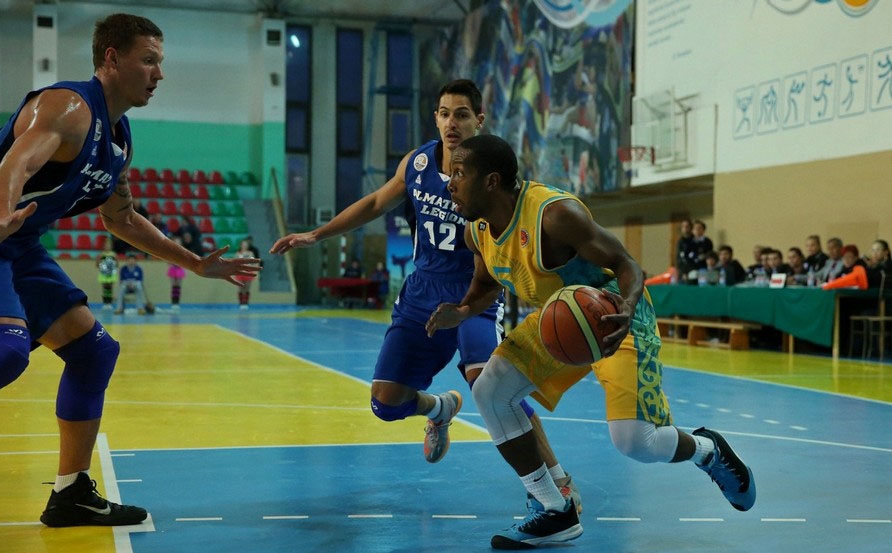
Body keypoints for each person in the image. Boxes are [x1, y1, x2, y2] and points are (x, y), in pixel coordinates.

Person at [0, 13, 260, 528]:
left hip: (18, 247)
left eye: (161, 62)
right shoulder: (67, 107)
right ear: (111, 59)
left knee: (93, 352)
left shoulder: (118, 141)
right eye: (149, 60)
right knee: (5, 351)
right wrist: (0, 215)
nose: (159, 74)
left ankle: (71, 494)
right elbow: (13, 166)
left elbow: (122, 219)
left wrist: (195, 263)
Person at [427, 134, 755, 549]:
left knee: (635, 441)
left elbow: (626, 263)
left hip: (614, 316)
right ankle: (555, 508)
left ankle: (709, 451)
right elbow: (486, 284)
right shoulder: (476, 230)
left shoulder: (554, 215)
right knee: (490, 390)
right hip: (560, 320)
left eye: (459, 173)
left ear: (491, 181)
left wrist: (627, 308)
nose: (450, 183)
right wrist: (462, 310)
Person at [270, 80, 579, 505]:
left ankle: (556, 480)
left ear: (479, 120)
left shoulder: (493, 172)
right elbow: (375, 203)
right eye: (444, 113)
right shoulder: (417, 164)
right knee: (385, 403)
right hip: (422, 291)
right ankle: (438, 409)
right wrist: (316, 235)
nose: (452, 123)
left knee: (491, 387)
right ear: (435, 118)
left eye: (462, 114)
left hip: (473, 293)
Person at [95, 237, 119, 309]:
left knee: (110, 288)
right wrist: (101, 267)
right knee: (105, 288)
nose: (107, 246)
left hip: (111, 273)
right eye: (106, 245)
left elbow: (117, 264)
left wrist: (112, 269)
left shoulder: (113, 255)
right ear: (104, 246)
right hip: (104, 273)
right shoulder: (101, 255)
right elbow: (97, 264)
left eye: (109, 245)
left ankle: (109, 303)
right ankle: (105, 302)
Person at [235, 238, 257, 310]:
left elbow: (253, 262)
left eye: (246, 245)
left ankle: (246, 303)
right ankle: (241, 303)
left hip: (248, 272)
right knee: (241, 288)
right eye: (243, 244)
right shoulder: (237, 254)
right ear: (241, 245)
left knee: (247, 287)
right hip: (240, 272)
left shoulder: (250, 253)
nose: (244, 246)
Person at [167, 235, 186, 310]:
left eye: (178, 242)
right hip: (173, 268)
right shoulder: (171, 250)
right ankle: (173, 303)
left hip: (180, 269)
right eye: (176, 242)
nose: (177, 243)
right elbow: (168, 260)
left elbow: (184, 260)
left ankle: (177, 303)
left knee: (178, 286)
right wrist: (172, 263)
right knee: (173, 286)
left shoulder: (183, 250)